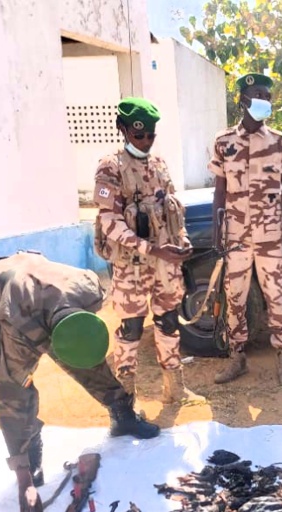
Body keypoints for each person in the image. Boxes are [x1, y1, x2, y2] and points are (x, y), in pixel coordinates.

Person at [0, 251, 161, 512]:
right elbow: (12, 395)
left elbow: (82, 343)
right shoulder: (19, 324)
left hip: (36, 288)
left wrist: (78, 350)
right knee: (8, 381)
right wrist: (23, 479)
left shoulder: (89, 288)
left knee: (86, 360)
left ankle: (122, 415)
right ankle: (28, 452)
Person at [94, 97, 204, 406]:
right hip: (131, 264)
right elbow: (109, 222)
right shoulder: (110, 167)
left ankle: (175, 389)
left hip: (164, 265)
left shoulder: (159, 164)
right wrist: (153, 248)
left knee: (169, 320)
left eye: (150, 135)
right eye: (138, 134)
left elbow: (173, 211)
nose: (144, 141)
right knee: (131, 327)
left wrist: (181, 241)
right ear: (123, 129)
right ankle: (125, 398)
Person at [209, 72, 282, 387]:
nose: (266, 101)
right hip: (235, 236)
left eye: (268, 96)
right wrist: (216, 229)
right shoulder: (223, 142)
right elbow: (219, 191)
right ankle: (237, 357)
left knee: (278, 297)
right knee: (235, 297)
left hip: (272, 235)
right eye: (259, 95)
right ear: (244, 99)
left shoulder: (280, 142)